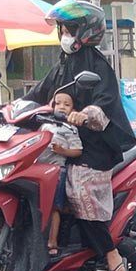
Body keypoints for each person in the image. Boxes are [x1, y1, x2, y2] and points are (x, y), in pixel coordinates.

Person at [25, 0, 136, 271]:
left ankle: (112, 257)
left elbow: (105, 103)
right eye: (62, 29)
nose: (63, 35)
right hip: (61, 141)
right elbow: (38, 94)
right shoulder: (63, 65)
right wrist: (8, 109)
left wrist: (84, 115)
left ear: (84, 31)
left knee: (79, 195)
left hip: (94, 147)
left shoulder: (99, 67)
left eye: (68, 29)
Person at [41, 91, 84, 256]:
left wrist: (62, 151)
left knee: (55, 207)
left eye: (67, 105)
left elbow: (78, 150)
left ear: (73, 109)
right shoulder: (45, 124)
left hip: (57, 170)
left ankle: (52, 241)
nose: (62, 107)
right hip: (40, 170)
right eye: (58, 103)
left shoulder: (70, 128)